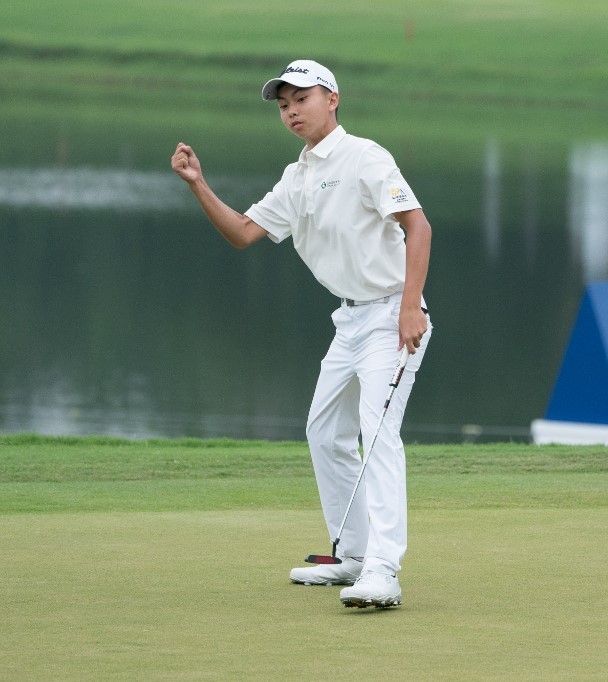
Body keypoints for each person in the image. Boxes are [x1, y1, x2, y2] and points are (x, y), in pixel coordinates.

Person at [171, 59, 432, 609]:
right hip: (350, 320)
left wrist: (411, 307)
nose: (291, 111)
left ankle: (384, 571)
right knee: (325, 432)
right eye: (284, 104)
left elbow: (418, 226)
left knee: (377, 435)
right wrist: (199, 185)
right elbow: (244, 232)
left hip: (392, 315)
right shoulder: (298, 176)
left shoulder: (365, 156)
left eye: (302, 99)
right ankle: (353, 555)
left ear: (332, 99)